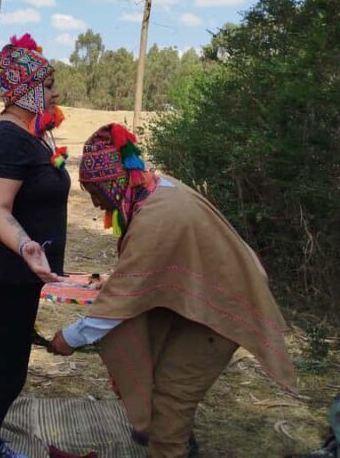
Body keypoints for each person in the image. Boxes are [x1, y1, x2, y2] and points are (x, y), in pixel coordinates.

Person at [47, 123, 296, 458]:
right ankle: (177, 437)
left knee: (171, 399)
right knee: (161, 369)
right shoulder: (156, 188)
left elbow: (119, 304)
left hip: (222, 307)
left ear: (112, 185)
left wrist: (69, 338)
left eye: (96, 194)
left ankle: (171, 445)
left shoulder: (155, 218)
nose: (95, 205)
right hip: (206, 294)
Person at [0, 34, 71, 458]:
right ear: (26, 91)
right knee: (6, 374)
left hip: (18, 275)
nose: (55, 92)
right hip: (0, 271)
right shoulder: (6, 139)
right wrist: (26, 246)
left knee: (9, 369)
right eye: (47, 85)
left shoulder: (32, 133)